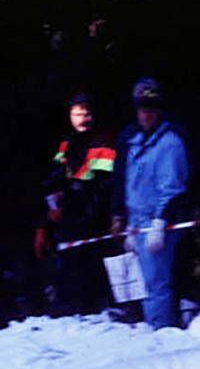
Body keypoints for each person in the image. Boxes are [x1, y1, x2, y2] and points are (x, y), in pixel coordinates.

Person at [110, 78, 189, 329]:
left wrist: (160, 223)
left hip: (157, 223)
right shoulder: (132, 140)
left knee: (156, 282)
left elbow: (172, 187)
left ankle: (161, 330)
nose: (147, 114)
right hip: (136, 222)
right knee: (137, 282)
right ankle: (144, 325)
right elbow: (123, 181)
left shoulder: (170, 142)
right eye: (143, 108)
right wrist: (121, 217)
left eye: (152, 108)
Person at [34, 92, 116, 313]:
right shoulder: (66, 144)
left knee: (94, 274)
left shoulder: (103, 142)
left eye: (86, 114)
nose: (82, 119)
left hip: (94, 222)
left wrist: (75, 206)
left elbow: (103, 185)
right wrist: (48, 216)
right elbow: (54, 180)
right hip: (69, 223)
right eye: (77, 114)